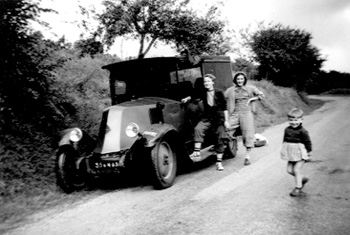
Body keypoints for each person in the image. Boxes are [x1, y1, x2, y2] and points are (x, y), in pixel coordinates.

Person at [182, 74, 229, 171]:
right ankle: (197, 152)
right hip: (207, 117)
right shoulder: (203, 92)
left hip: (218, 118)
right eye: (205, 82)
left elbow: (225, 108)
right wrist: (187, 98)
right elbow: (194, 95)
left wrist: (226, 121)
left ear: (212, 82)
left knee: (220, 138)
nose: (206, 83)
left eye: (208, 81)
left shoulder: (219, 92)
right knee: (198, 129)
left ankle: (219, 162)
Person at [225, 71, 264, 166]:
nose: (240, 81)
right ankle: (232, 138)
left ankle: (247, 157)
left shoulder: (250, 88)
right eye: (238, 79)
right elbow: (223, 97)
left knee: (247, 134)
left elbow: (261, 95)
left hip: (246, 113)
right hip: (235, 113)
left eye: (242, 79)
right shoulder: (230, 90)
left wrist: (251, 99)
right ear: (235, 80)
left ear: (244, 80)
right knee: (226, 128)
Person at [281, 108, 312, 197]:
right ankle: (302, 179)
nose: (294, 122)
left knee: (296, 170)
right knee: (289, 170)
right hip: (291, 154)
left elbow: (308, 142)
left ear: (301, 120)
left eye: (296, 120)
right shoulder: (287, 129)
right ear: (288, 120)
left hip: (300, 153)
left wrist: (308, 153)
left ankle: (298, 188)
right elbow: (285, 141)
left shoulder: (303, 131)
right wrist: (284, 151)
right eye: (291, 120)